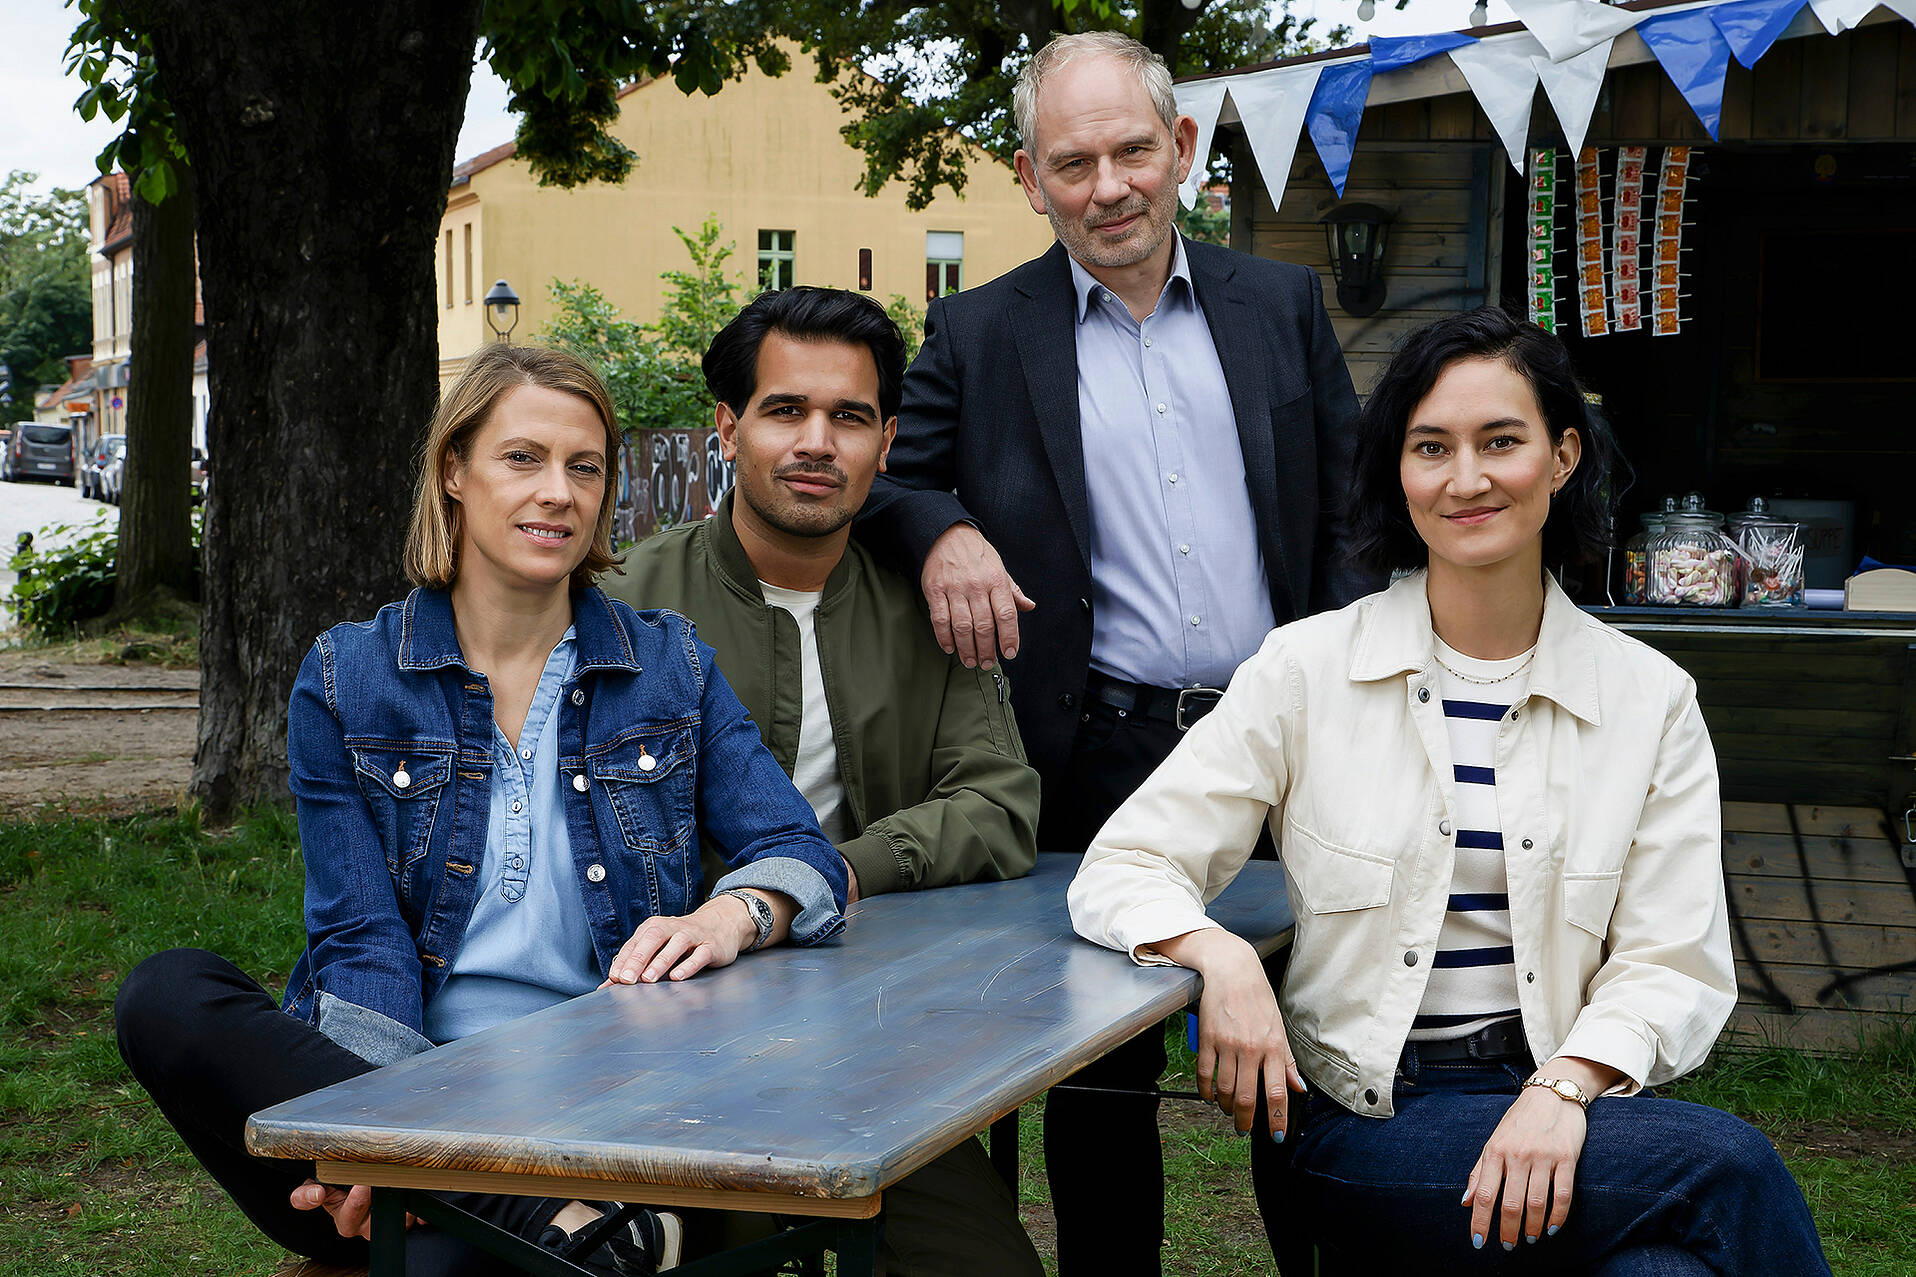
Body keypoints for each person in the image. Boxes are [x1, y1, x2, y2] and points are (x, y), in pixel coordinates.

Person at [1067, 306, 1831, 1274]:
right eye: (1430, 446)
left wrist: (1559, 1089)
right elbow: (1119, 865)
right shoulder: (1304, 671)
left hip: (1573, 1102)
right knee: (1727, 1167)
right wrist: (1217, 956)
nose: (1464, 478)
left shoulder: (1649, 701)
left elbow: (1669, 960)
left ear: (1559, 457)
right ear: (1398, 469)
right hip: (1367, 1122)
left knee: (1660, 1271)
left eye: (1499, 441)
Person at [114, 343, 849, 1277]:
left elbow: (799, 849)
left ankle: (514, 1216)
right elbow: (360, 941)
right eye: (523, 458)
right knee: (166, 994)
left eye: (585, 467)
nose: (558, 492)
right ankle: (554, 1225)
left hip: (605, 1109)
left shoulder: (668, 666)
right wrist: (377, 1140)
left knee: (438, 1267)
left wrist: (733, 913)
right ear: (454, 470)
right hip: (397, 1081)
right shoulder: (350, 676)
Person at [854, 29, 1374, 1275]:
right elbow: (888, 482)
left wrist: (1354, 689)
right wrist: (943, 532)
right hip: (1095, 747)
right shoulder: (977, 331)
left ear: (1180, 150)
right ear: (1029, 179)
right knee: (1098, 1079)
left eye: (1131, 150)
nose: (1108, 187)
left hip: (1292, 743)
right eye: (1071, 161)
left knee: (1315, 1043)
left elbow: (1350, 507)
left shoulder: (1279, 303)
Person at [611, 285, 1043, 1277]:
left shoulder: (929, 603)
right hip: (660, 1044)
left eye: (848, 417)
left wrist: (830, 876)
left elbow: (998, 803)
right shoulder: (631, 604)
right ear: (727, 427)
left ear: (886, 443)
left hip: (873, 1043)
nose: (817, 441)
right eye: (784, 410)